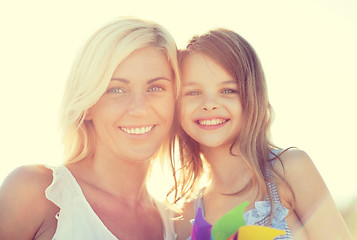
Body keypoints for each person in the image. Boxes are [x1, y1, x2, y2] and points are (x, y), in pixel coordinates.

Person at [0, 17, 179, 240]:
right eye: (117, 90)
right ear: (88, 105)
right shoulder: (36, 193)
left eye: (155, 88)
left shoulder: (177, 226)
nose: (139, 109)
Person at [172, 28, 353, 239]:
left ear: (251, 95)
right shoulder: (186, 214)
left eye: (228, 90)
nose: (210, 104)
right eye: (193, 92)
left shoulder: (289, 169)